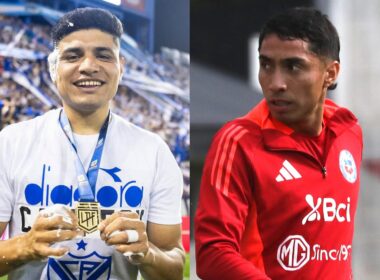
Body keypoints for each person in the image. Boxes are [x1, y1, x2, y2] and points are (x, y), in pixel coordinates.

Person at [0, 7, 185, 280]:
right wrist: (24, 247)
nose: (88, 65)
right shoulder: (11, 144)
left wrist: (146, 253)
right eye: (72, 56)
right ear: (53, 69)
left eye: (103, 55)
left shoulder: (154, 152)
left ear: (121, 67)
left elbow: (174, 267)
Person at [195, 7, 362, 280]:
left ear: (330, 74)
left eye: (293, 66)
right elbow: (212, 254)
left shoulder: (349, 134)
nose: (275, 83)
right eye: (266, 65)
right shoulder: (239, 141)